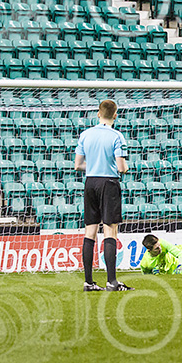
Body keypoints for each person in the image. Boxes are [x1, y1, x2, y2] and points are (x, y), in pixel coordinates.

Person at [75, 100, 133, 291]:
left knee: (90, 231)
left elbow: (78, 165)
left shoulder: (85, 134)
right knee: (110, 230)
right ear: (115, 115)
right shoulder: (117, 136)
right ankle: (112, 281)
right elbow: (121, 167)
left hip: (90, 182)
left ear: (98, 114)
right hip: (108, 183)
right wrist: (125, 168)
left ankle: (88, 282)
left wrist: (92, 166)